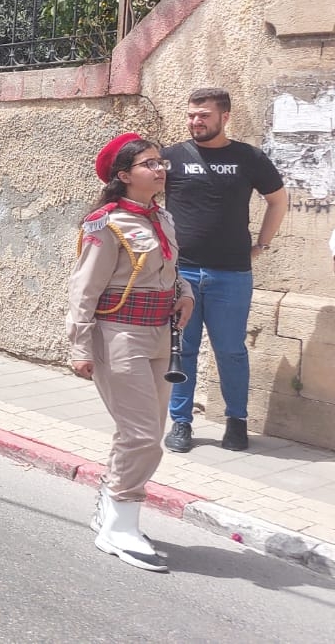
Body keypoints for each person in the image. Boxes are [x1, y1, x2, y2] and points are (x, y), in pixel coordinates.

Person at [68, 133, 195, 572]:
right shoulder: (106, 224)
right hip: (119, 335)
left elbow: (171, 269)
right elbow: (84, 291)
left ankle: (111, 506)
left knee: (145, 432)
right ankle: (119, 525)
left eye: (161, 162)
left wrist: (186, 293)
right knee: (141, 435)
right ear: (124, 176)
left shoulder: (162, 217)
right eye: (149, 164)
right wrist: (80, 345)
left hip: (161, 334)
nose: (160, 169)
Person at [161, 88, 288, 453]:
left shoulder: (249, 158)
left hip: (232, 274)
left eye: (203, 115)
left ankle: (237, 422)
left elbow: (278, 200)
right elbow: (143, 197)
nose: (195, 121)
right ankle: (181, 423)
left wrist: (261, 245)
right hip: (181, 274)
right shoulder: (172, 158)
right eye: (191, 115)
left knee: (231, 350)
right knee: (181, 349)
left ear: (224, 117)